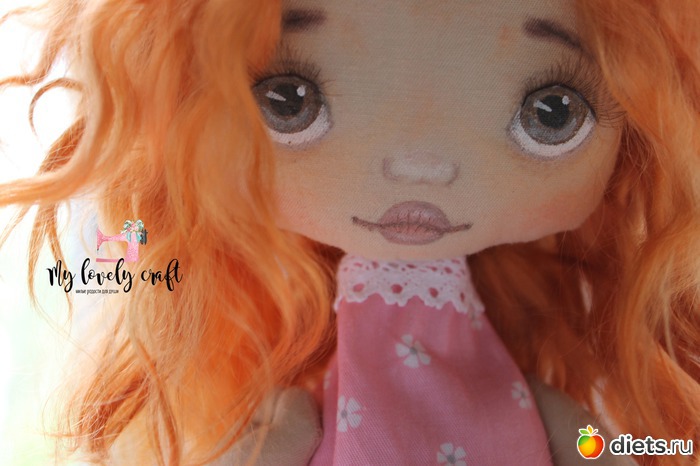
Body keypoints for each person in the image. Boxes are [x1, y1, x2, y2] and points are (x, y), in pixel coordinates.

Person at [0, 0, 697, 464]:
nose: (419, 166)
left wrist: (617, 447)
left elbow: (587, 439)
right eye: (290, 99)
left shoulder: (519, 386)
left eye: (551, 111)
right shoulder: (300, 412)